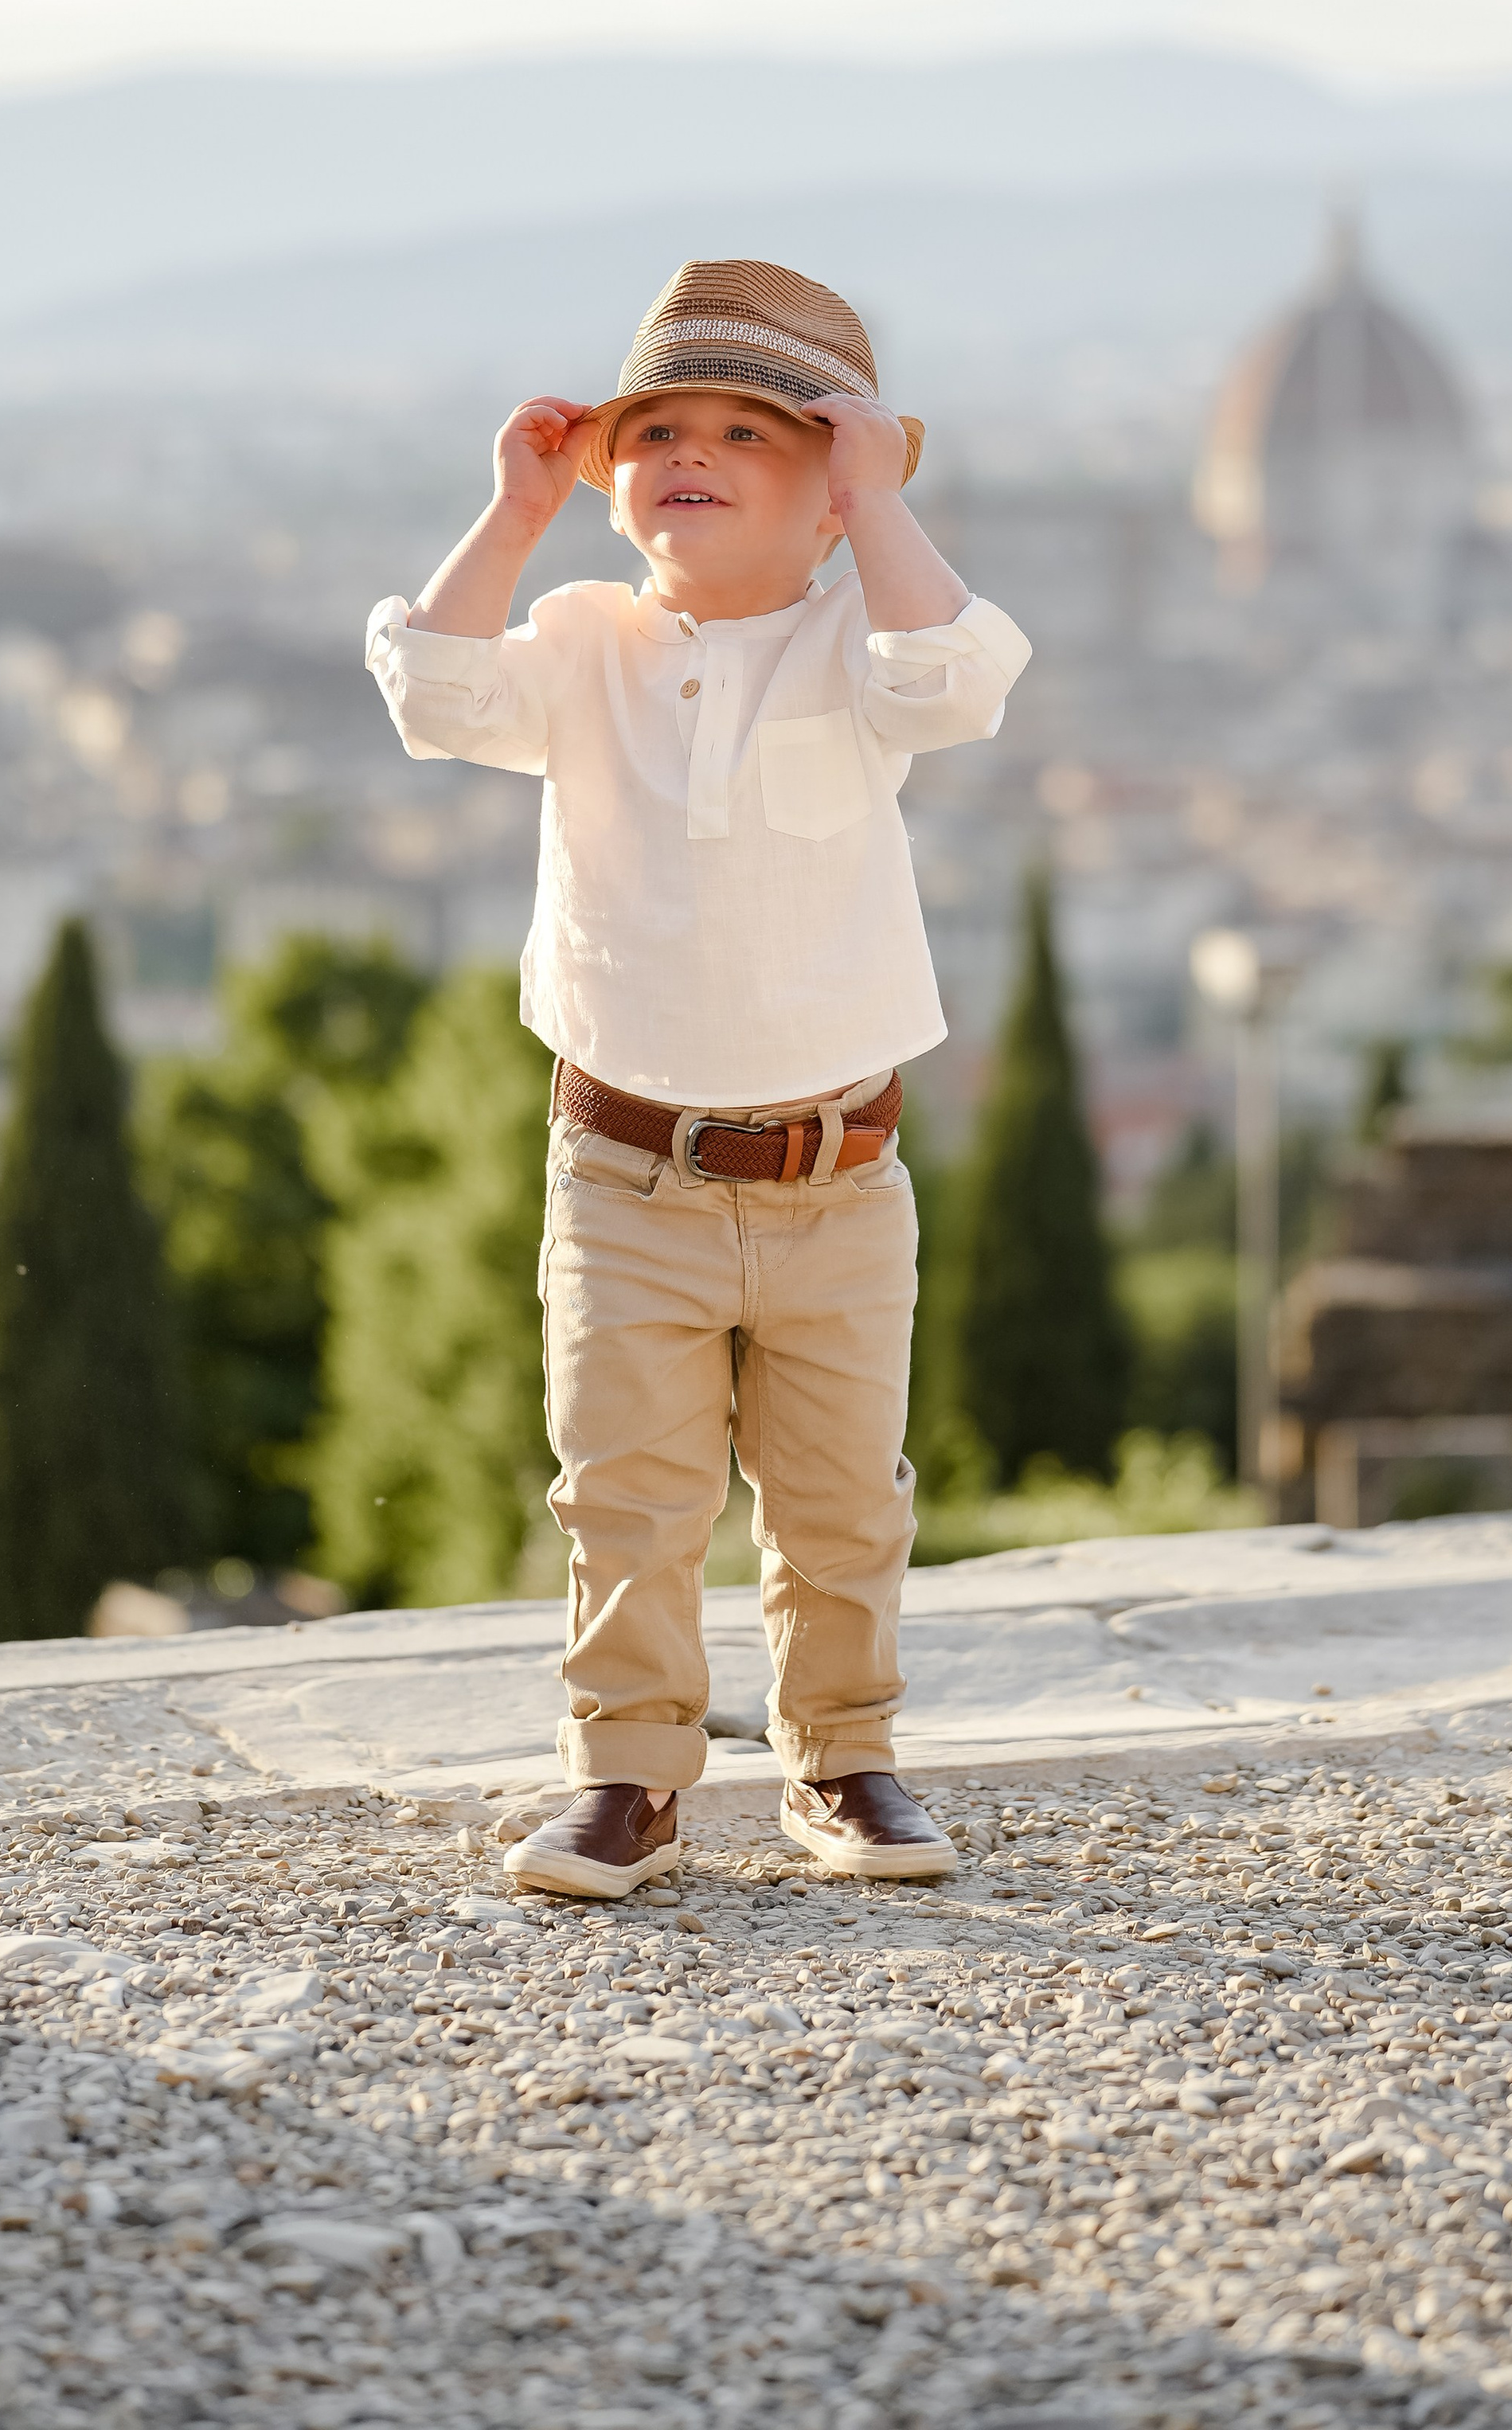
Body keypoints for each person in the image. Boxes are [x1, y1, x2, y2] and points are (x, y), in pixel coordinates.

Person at [365, 258, 1031, 1899]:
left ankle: (843, 1760)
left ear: (828, 491)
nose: (695, 452)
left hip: (837, 1179)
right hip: (624, 1174)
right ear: (613, 482)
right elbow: (434, 698)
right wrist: (511, 515)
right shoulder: (581, 643)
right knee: (625, 1497)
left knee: (838, 1501)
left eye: (753, 431)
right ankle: (628, 1777)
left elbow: (958, 680)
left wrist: (879, 505)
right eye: (658, 428)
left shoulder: (859, 650)